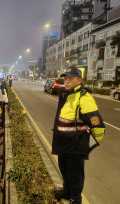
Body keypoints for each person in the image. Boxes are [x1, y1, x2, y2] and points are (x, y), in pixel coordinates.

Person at [52, 67, 105, 204]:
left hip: (75, 147)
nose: (66, 81)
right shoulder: (67, 94)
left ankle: (76, 199)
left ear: (80, 80)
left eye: (70, 78)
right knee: (65, 170)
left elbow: (98, 128)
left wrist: (87, 146)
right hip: (64, 145)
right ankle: (67, 191)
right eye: (65, 78)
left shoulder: (84, 98)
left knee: (76, 175)